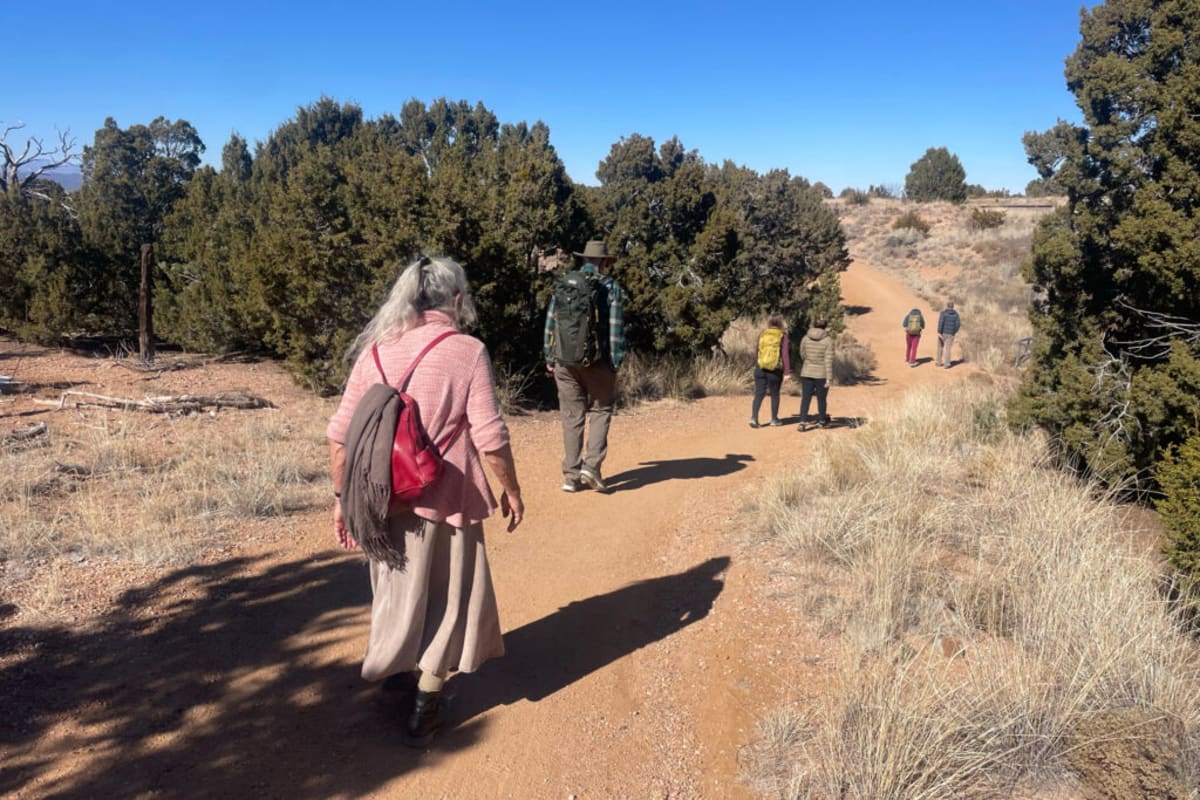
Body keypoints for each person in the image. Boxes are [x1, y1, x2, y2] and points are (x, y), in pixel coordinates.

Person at [326, 255, 524, 747]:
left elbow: (340, 437)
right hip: (446, 499)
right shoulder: (466, 351)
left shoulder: (375, 350)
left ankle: (396, 668)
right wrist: (512, 488)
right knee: (449, 597)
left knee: (395, 588)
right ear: (456, 300)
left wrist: (341, 498)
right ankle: (427, 700)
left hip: (379, 499)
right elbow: (490, 435)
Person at [543, 239, 625, 492]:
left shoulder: (566, 282)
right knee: (601, 409)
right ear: (602, 261)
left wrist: (549, 355)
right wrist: (615, 360)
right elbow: (615, 327)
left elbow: (551, 320)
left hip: (564, 360)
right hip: (599, 361)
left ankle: (571, 476)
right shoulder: (609, 286)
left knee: (571, 416)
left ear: (584, 259)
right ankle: (591, 467)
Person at [749, 314, 791, 428]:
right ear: (781, 323)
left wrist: (758, 363)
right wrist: (787, 372)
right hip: (775, 370)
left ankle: (754, 418)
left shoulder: (763, 334)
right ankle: (774, 419)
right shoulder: (783, 335)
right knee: (775, 394)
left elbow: (757, 350)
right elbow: (785, 355)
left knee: (759, 393)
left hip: (760, 367)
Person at [797, 316, 833, 432]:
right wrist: (829, 378)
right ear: (825, 326)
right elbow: (828, 360)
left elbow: (802, 354)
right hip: (821, 373)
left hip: (807, 371)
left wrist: (808, 362)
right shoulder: (828, 341)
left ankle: (802, 422)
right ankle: (822, 421)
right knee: (821, 399)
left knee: (805, 398)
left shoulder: (805, 338)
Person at [936, 301, 961, 368]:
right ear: (953, 307)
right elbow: (958, 324)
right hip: (950, 334)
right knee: (948, 349)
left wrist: (939, 332)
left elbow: (941, 322)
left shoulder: (943, 313)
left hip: (942, 333)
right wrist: (954, 331)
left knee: (940, 347)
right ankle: (946, 364)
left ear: (947, 306)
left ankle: (939, 362)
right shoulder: (956, 314)